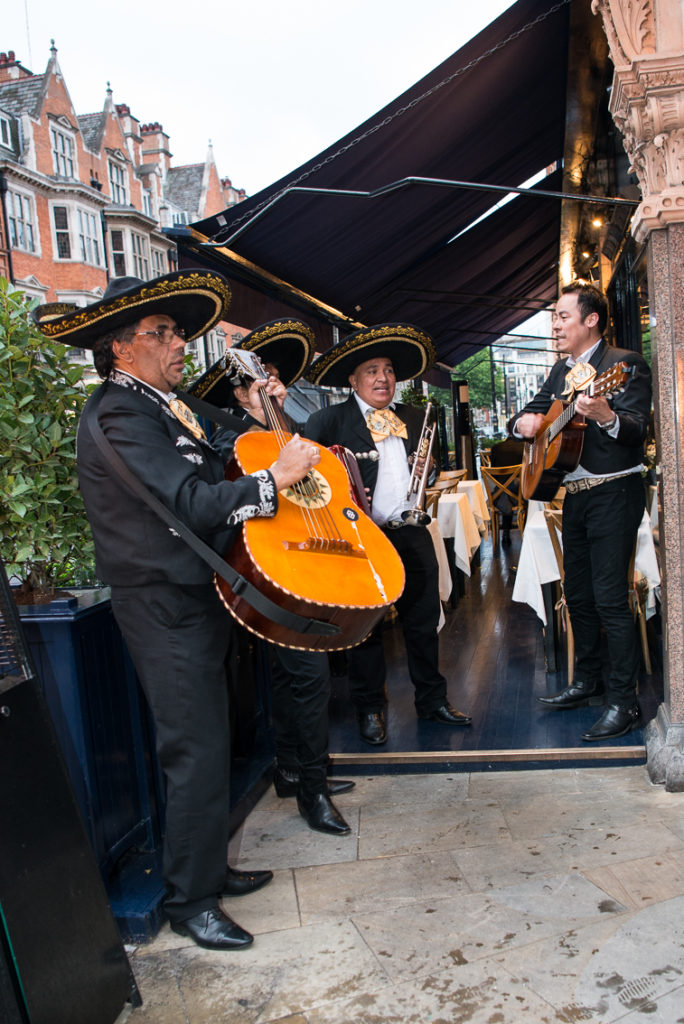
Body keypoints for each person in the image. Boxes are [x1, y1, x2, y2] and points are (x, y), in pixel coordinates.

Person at [34, 271, 322, 951]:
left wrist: (258, 428)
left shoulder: (167, 404)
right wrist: (272, 480)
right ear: (121, 349)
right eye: (161, 332)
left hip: (197, 596)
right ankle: (189, 898)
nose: (177, 342)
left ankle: (208, 868)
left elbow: (225, 449)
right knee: (193, 747)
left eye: (177, 330)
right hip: (162, 602)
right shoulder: (118, 413)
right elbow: (190, 502)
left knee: (211, 737)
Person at [190, 320, 354, 835]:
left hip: (300, 562)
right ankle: (313, 789)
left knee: (292, 676)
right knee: (308, 675)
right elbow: (221, 495)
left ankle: (292, 769)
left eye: (278, 377)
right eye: (264, 380)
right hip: (258, 572)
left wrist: (280, 417)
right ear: (240, 389)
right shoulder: (225, 435)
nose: (275, 386)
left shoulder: (287, 430)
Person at [303, 323, 473, 746]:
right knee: (366, 630)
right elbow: (306, 481)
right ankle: (370, 708)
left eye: (389, 370)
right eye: (372, 371)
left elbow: (433, 468)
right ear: (353, 380)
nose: (383, 378)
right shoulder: (328, 421)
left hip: (412, 532)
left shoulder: (416, 417)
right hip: (361, 540)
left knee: (422, 622)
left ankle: (431, 700)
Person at [510, 281, 652, 742]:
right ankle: (587, 682)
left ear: (591, 320)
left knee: (611, 597)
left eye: (562, 316)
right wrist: (525, 423)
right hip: (574, 494)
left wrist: (606, 415)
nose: (555, 324)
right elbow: (530, 416)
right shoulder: (560, 371)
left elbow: (636, 431)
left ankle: (623, 700)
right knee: (580, 595)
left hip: (615, 491)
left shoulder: (623, 364)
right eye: (554, 317)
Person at [488, 436, 525, 545]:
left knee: (503, 492)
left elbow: (493, 476)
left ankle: (505, 533)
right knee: (524, 494)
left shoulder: (496, 448)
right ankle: (525, 531)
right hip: (518, 494)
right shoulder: (524, 447)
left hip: (499, 494)